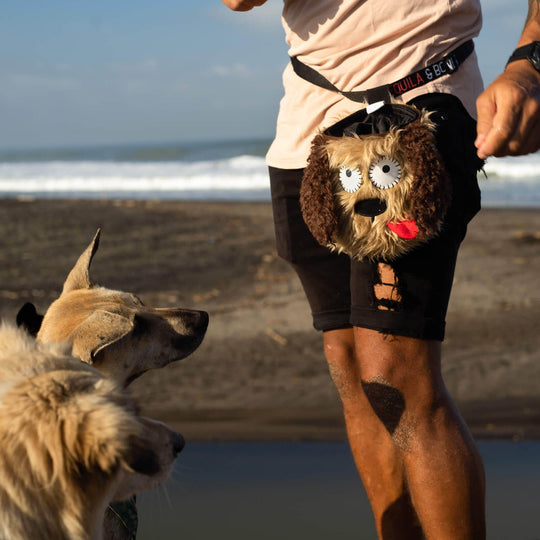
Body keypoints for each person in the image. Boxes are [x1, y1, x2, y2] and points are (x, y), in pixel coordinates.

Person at [221, 1, 540, 538]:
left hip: (419, 114)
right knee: (349, 367)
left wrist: (530, 63)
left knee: (392, 376)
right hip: (308, 131)